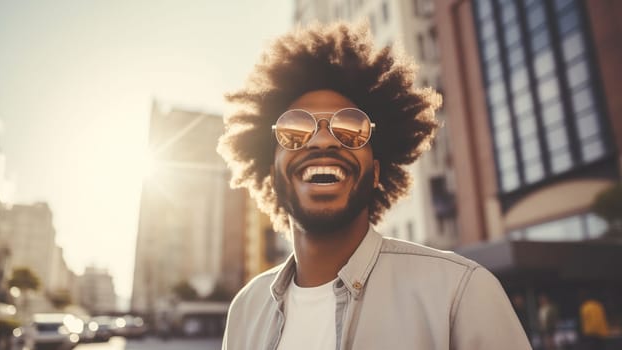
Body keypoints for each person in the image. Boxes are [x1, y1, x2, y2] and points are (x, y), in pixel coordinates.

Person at [217, 22, 530, 350]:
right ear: (273, 174)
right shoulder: (245, 309)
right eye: (295, 131)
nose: (323, 140)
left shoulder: (460, 293)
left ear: (376, 171)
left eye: (351, 128)